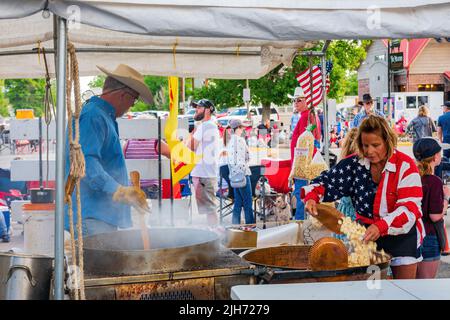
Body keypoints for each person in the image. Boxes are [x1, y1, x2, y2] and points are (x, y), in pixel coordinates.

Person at [303, 115, 425, 279]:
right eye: (365, 145)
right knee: (373, 289)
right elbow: (326, 181)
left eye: (376, 145)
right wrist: (312, 196)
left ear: (387, 142)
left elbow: (409, 210)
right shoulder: (353, 164)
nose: (369, 151)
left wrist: (381, 226)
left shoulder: (405, 166)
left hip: (401, 237)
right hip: (367, 237)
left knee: (404, 289)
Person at [64, 64, 167, 236]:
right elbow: (85, 162)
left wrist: (127, 194)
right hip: (92, 216)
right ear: (123, 95)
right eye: (133, 100)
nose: (131, 106)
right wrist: (117, 190)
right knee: (99, 264)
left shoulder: (100, 115)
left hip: (98, 216)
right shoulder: (94, 116)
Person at [413, 138, 450, 278]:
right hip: (428, 237)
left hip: (412, 236)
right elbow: (435, 215)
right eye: (439, 153)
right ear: (435, 157)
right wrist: (446, 198)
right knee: (426, 283)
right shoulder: (434, 181)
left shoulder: (413, 176)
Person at [186, 98, 220, 226]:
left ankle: (215, 234)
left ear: (208, 110)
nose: (196, 110)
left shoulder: (205, 126)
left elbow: (191, 146)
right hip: (205, 173)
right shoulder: (210, 125)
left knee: (209, 210)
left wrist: (190, 136)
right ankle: (213, 232)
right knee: (208, 210)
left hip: (204, 173)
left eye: (199, 108)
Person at [227, 119, 254, 225]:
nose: (243, 130)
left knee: (238, 202)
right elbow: (247, 156)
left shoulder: (229, 141)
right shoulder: (240, 140)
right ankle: (250, 226)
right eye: (242, 127)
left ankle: (235, 225)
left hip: (233, 175)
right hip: (243, 174)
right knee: (247, 203)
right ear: (237, 128)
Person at [289, 87, 321, 162]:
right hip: (308, 157)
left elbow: (304, 142)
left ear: (307, 101)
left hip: (303, 161)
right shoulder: (310, 115)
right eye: (294, 100)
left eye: (299, 100)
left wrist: (300, 164)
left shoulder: (306, 116)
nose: (295, 102)